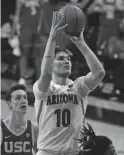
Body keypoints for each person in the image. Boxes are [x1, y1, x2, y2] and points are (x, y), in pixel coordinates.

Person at [33, 11, 105, 155]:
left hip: (73, 152)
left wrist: (81, 43)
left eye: (68, 59)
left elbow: (99, 73)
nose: (66, 61)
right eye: (60, 59)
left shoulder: (79, 87)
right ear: (51, 64)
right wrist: (52, 39)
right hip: (47, 152)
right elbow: (46, 74)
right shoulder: (43, 88)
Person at [0, 84, 39, 155]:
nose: (23, 101)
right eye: (18, 98)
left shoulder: (34, 128)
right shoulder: (1, 127)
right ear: (9, 104)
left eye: (25, 97)